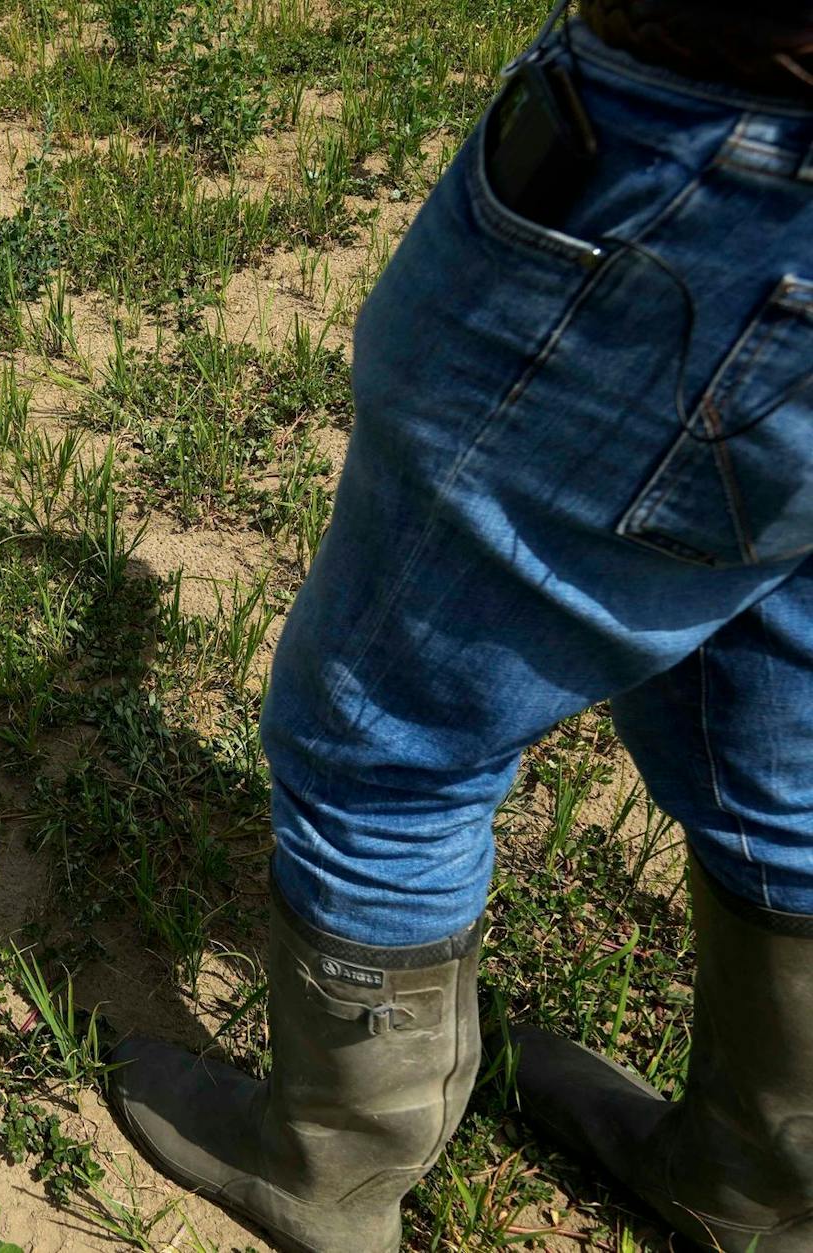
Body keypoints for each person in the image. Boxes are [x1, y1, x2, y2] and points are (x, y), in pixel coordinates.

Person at [105, 2, 813, 1250]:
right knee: (782, 740)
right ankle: (753, 1183)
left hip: (710, 174)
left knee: (380, 746)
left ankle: (327, 1171)